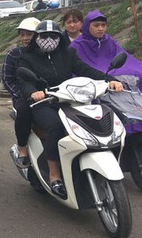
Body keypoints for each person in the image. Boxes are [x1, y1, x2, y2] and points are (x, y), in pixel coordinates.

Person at [17, 20, 124, 198]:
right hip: (42, 102)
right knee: (56, 127)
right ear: (37, 37)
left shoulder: (68, 53)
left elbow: (85, 69)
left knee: (97, 120)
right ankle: (54, 174)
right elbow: (24, 81)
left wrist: (108, 80)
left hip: (69, 100)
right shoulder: (27, 57)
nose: (49, 40)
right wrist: (34, 92)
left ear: (60, 38)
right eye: (44, 36)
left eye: (54, 36)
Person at [1, 17, 40, 168]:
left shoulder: (45, 53)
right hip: (23, 96)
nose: (25, 38)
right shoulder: (14, 54)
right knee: (24, 111)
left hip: (44, 94)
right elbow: (7, 79)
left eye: (29, 34)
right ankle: (22, 149)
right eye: (22, 35)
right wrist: (20, 94)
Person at [70, 10, 142, 91]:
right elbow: (79, 69)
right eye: (96, 26)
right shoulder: (77, 45)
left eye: (103, 25)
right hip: (95, 78)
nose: (100, 29)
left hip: (114, 70)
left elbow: (122, 56)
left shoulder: (107, 40)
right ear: (87, 26)